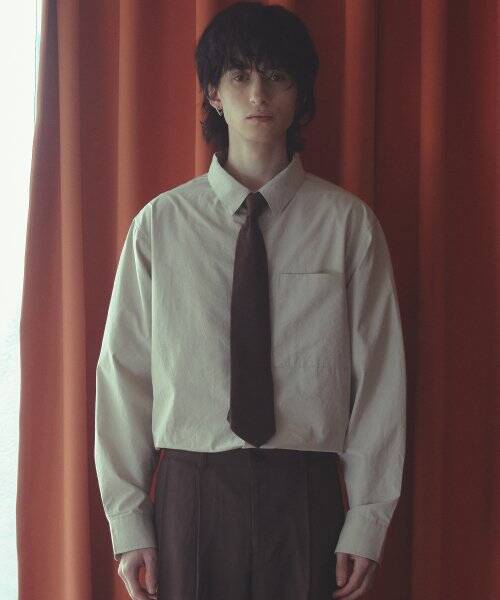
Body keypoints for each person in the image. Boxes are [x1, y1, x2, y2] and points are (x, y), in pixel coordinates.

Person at [94, 2, 407, 600]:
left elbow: (379, 380)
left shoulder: (347, 226)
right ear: (214, 93)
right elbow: (124, 375)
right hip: (192, 494)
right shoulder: (160, 226)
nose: (259, 93)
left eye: (277, 75)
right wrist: (129, 519)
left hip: (306, 495)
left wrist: (367, 518)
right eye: (239, 75)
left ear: (300, 93)